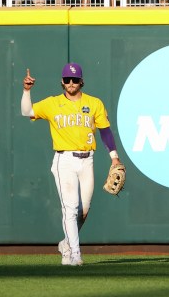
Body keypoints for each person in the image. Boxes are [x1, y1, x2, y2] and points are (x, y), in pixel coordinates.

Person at [21, 64, 122, 267]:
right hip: (64, 159)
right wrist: (26, 91)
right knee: (70, 208)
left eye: (75, 80)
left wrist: (114, 157)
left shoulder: (94, 103)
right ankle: (75, 254)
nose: (70, 83)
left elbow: (105, 131)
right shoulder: (52, 103)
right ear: (62, 82)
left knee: (83, 211)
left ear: (81, 81)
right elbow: (27, 111)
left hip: (87, 159)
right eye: (67, 79)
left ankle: (66, 244)